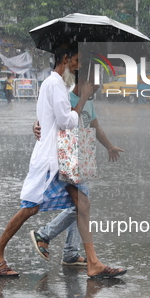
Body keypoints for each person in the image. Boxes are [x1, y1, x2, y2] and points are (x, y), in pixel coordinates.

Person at [0, 44, 126, 279]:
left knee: (82, 204)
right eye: (77, 60)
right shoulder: (55, 84)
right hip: (52, 160)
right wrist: (82, 99)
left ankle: (93, 263)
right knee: (30, 208)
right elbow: (66, 121)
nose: (79, 65)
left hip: (60, 160)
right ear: (65, 58)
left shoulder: (54, 84)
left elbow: (50, 119)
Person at [30, 72, 124, 266]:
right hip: (67, 155)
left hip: (83, 154)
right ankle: (44, 234)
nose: (99, 88)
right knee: (82, 204)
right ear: (85, 82)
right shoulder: (67, 98)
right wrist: (36, 125)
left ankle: (71, 252)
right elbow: (53, 120)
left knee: (79, 206)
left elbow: (95, 126)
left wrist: (109, 146)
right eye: (96, 84)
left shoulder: (88, 102)